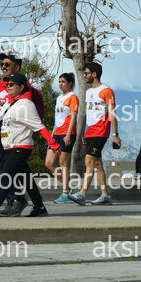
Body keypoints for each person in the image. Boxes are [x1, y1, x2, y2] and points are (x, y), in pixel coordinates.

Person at [0, 73, 60, 218]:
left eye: (11, 84)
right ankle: (39, 207)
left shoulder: (26, 104)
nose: (8, 87)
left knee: (6, 175)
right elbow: (0, 126)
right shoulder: (8, 104)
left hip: (21, 146)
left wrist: (53, 144)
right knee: (27, 179)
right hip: (10, 146)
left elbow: (39, 127)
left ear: (21, 87)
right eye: (7, 84)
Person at [68, 62, 121, 205]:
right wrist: (82, 133)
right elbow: (86, 113)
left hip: (101, 131)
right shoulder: (89, 92)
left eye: (86, 73)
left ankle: (82, 193)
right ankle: (105, 195)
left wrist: (115, 134)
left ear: (94, 74)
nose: (84, 75)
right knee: (97, 164)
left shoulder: (106, 91)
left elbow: (112, 113)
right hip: (90, 131)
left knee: (89, 160)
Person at [0, 53, 27, 215]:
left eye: (7, 64)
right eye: (2, 64)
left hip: (16, 132)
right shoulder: (0, 83)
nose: (3, 67)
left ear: (17, 67)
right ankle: (31, 204)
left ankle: (15, 201)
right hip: (2, 129)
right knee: (10, 168)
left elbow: (23, 104)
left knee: (10, 169)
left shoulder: (22, 84)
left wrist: (1, 103)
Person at [46, 73, 79, 204]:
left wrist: (68, 134)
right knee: (49, 163)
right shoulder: (59, 98)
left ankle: (65, 193)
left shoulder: (73, 97)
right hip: (57, 134)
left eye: (63, 82)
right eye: (59, 81)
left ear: (70, 83)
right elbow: (57, 118)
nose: (60, 84)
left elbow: (74, 117)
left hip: (67, 133)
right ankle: (68, 187)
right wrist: (52, 134)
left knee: (63, 163)